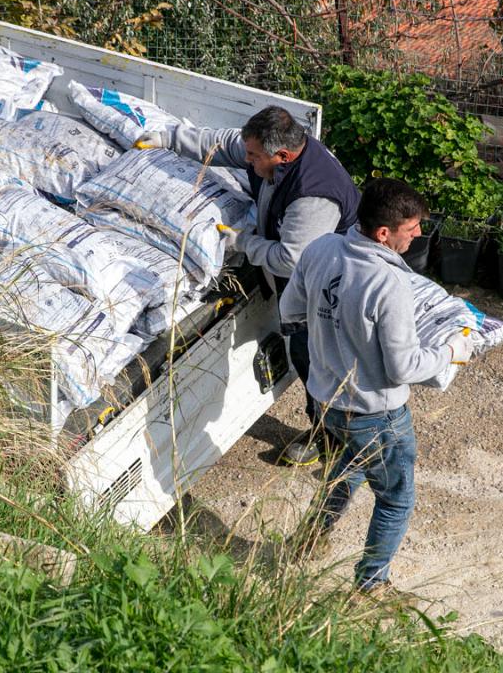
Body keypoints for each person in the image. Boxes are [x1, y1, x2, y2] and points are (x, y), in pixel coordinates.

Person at [279, 177, 472, 596]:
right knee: (395, 498)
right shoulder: (389, 283)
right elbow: (403, 367)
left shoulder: (321, 249)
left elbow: (290, 310)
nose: (418, 235)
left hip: (326, 398)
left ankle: (307, 541)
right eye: (412, 229)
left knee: (346, 469)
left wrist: (335, 337)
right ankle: (370, 587)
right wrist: (451, 351)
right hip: (375, 413)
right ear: (384, 233)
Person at [136, 106, 360, 466]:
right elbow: (225, 145)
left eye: (254, 157)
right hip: (302, 280)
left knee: (316, 361)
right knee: (307, 358)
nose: (247, 161)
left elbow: (291, 259)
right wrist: (168, 139)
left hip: (325, 292)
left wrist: (242, 242)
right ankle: (330, 430)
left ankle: (336, 441)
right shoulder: (277, 156)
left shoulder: (312, 195)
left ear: (282, 156)